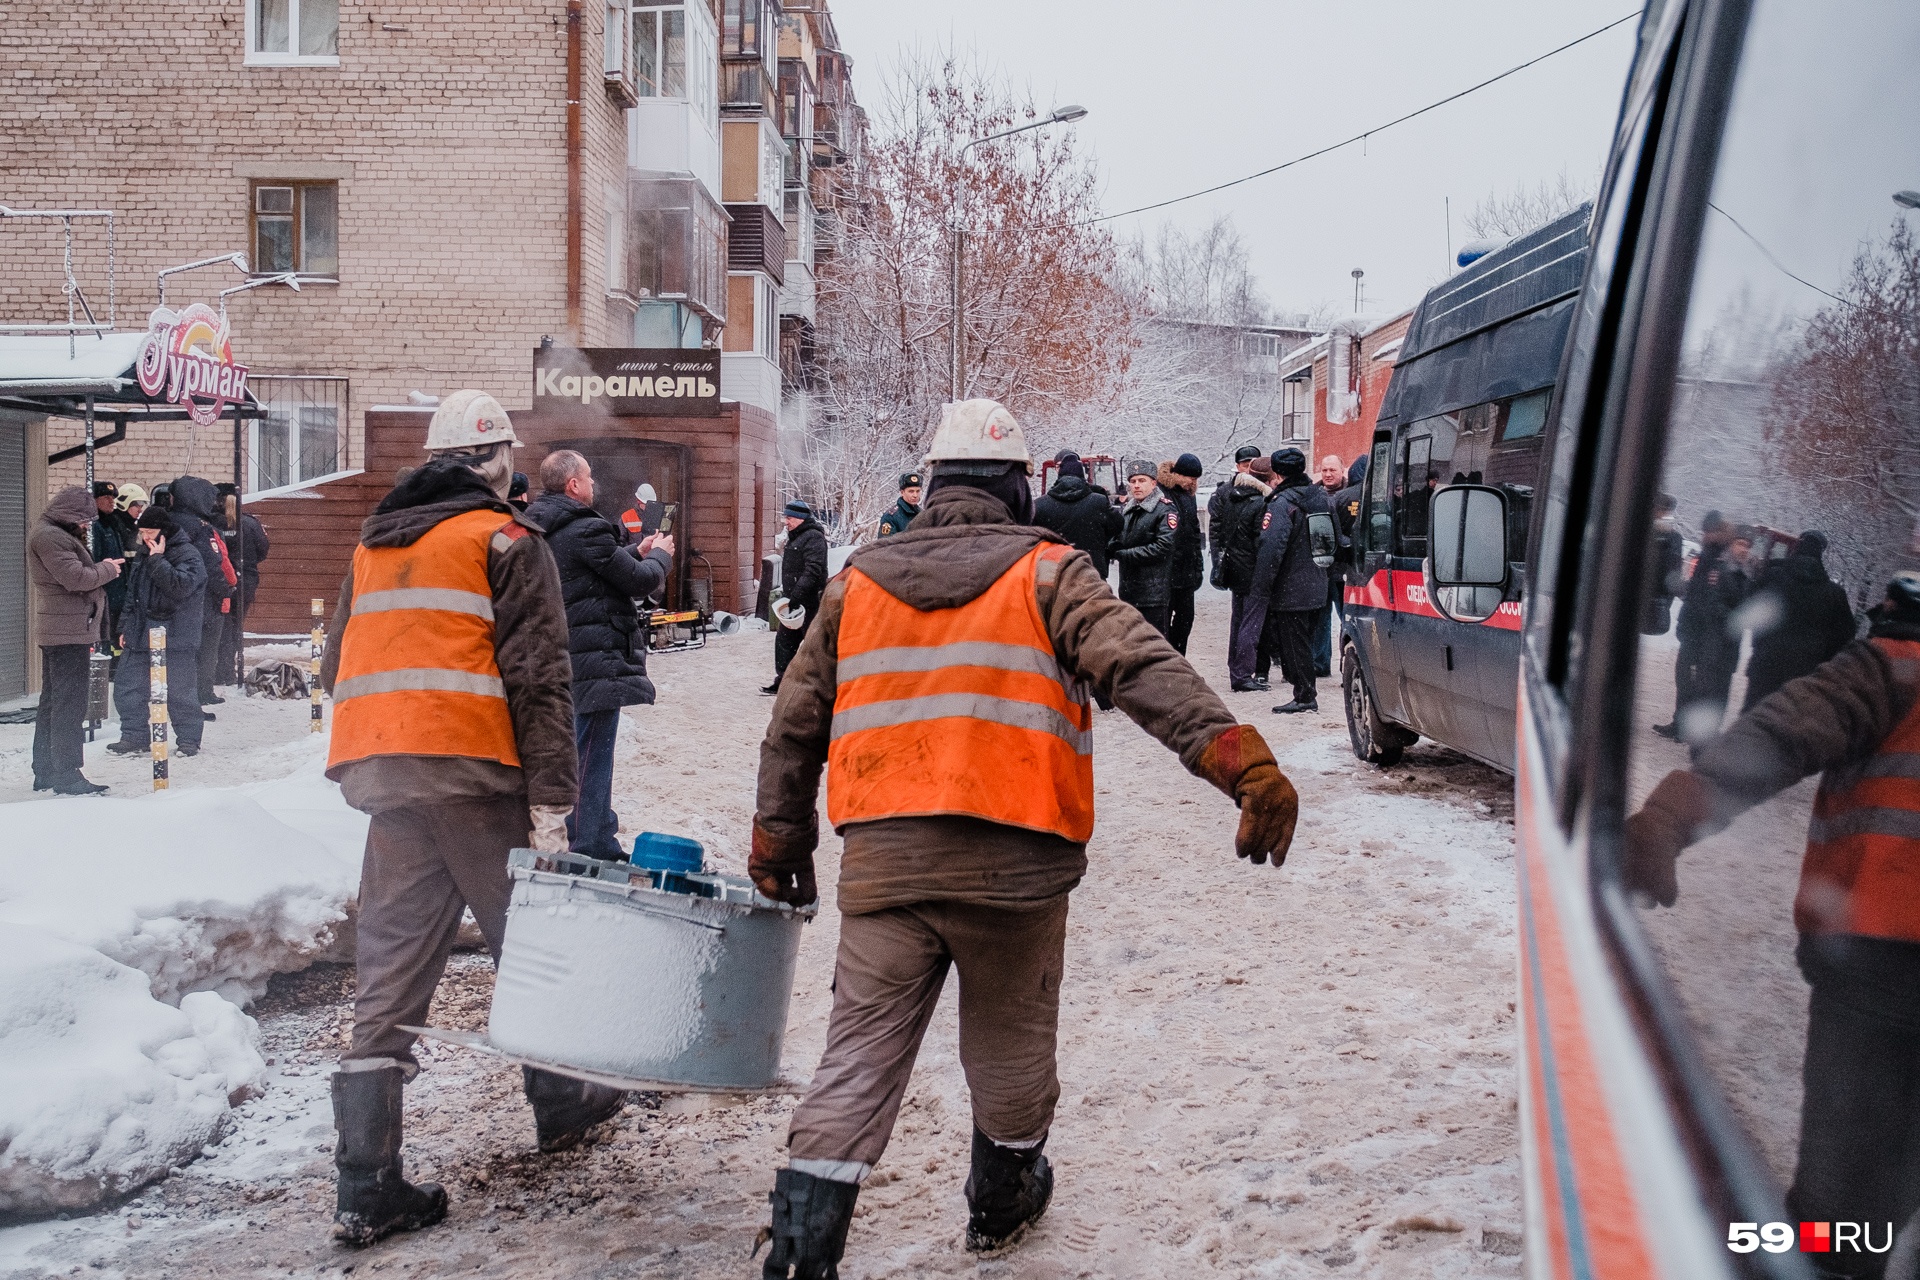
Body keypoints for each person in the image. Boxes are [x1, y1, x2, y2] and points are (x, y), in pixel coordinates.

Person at [748, 397, 1301, 1278]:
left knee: (855, 1060)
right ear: (1018, 486)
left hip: (886, 864)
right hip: (1016, 871)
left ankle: (801, 1251)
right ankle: (1000, 1205)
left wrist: (778, 846)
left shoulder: (858, 585)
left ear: (930, 487)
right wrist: (1245, 765)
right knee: (1011, 1048)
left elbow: (793, 726)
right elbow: (1144, 666)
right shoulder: (1051, 574)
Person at [318, 390, 607, 1248]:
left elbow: (337, 658)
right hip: (474, 773)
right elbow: (538, 672)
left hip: (385, 774)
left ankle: (366, 1182)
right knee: (532, 947)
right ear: (495, 462)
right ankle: (564, 1102)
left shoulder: (372, 547)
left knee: (392, 964)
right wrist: (557, 793)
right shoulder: (507, 540)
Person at [1624, 572, 1920, 1280]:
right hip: (1875, 968)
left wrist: (1667, 820)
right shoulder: (1894, 665)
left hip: (1874, 962)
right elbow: (1779, 736)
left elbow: (1777, 736)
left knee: (1842, 1202)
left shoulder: (1893, 664)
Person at [525, 449, 674, 861]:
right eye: (589, 477)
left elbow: (594, 568)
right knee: (591, 755)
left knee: (577, 749)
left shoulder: (542, 524)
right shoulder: (585, 527)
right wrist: (661, 556)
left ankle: (595, 834)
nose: (594, 484)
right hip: (595, 660)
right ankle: (589, 842)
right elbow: (639, 583)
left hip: (563, 653)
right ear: (573, 484)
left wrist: (637, 550)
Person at [28, 485, 122, 794]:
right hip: (66, 632)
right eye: (84, 520)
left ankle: (46, 770)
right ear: (69, 515)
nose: (86, 526)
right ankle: (67, 775)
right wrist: (107, 569)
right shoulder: (51, 537)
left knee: (54, 702)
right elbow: (76, 578)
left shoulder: (51, 533)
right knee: (68, 704)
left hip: (63, 629)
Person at [107, 505, 208, 759]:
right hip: (141, 633)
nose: (146, 537)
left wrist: (156, 561)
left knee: (180, 691)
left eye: (150, 531)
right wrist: (124, 627)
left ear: (164, 531)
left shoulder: (188, 554)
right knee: (128, 687)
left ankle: (188, 740)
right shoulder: (145, 552)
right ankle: (134, 736)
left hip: (176, 635)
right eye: (142, 532)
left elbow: (180, 586)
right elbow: (134, 594)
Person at [1241, 448, 1332, 715]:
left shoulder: (1282, 504)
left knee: (1293, 644)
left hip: (1290, 585)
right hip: (1317, 578)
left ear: (1278, 474)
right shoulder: (1319, 498)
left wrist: (1261, 586)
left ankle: (1304, 695)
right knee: (1304, 640)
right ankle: (1305, 692)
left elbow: (1272, 546)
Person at [1655, 511, 1748, 744]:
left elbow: (1707, 596)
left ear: (1715, 532)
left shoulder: (1718, 558)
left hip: (1702, 632)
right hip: (1695, 629)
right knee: (1685, 677)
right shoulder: (1711, 554)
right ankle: (1680, 723)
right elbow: (1699, 592)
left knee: (1692, 680)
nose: (1704, 535)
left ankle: (1685, 726)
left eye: (1708, 531)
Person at [1741, 532, 1855, 710]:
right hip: (1803, 672)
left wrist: (1761, 638)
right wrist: (1822, 656)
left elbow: (1749, 603)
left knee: (1753, 717)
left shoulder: (1773, 576)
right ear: (1820, 553)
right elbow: (1846, 634)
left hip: (1765, 663)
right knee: (1785, 721)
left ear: (1798, 547)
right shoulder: (1834, 594)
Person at [166, 476, 235, 713]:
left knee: (183, 652)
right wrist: (225, 589)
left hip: (175, 597)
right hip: (203, 598)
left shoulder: (168, 522)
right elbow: (212, 563)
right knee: (206, 648)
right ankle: (200, 694)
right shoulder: (200, 527)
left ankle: (189, 695)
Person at [1214, 447, 1274, 692]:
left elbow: (1220, 530)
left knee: (1238, 621)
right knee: (1251, 623)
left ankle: (1236, 669)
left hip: (1235, 566)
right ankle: (1242, 674)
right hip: (1252, 569)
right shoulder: (1261, 502)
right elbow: (1262, 540)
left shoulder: (1229, 496)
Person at [763, 500, 828, 696]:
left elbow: (813, 570)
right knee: (784, 641)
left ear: (800, 519)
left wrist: (798, 595)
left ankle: (821, 686)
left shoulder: (814, 538)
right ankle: (783, 680)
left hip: (810, 601)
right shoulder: (797, 536)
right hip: (793, 600)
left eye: (789, 518)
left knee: (814, 643)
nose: (786, 522)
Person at [214, 481, 270, 688]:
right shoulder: (250, 523)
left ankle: (219, 670)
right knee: (235, 627)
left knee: (220, 627)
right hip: (246, 581)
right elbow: (263, 551)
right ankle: (228, 671)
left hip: (221, 582)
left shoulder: (213, 523)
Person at [1109, 461, 1176, 636]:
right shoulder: (1127, 510)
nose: (1136, 485)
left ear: (1153, 483)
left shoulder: (1164, 509)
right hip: (1129, 591)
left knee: (1154, 647)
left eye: (1142, 480)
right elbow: (1119, 538)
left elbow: (1163, 547)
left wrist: (1125, 555)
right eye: (1133, 481)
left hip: (1153, 593)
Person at [1033, 455, 1121, 580]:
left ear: (1059, 475)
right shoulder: (1098, 502)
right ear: (1082, 476)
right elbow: (1117, 526)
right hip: (1091, 573)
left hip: (1053, 574)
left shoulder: (1040, 505)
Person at [1157, 454, 1205, 655]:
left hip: (1186, 569)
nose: (1192, 483)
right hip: (1166, 569)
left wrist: (1197, 565)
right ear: (1177, 474)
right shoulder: (1160, 494)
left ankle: (1179, 657)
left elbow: (1193, 532)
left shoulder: (1188, 497)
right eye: (1190, 479)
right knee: (1163, 621)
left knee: (1186, 618)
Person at [91, 481, 137, 658]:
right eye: (106, 497)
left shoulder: (111, 524)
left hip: (118, 594)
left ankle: (115, 665)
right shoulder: (95, 527)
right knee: (106, 637)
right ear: (94, 500)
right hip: (106, 593)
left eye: (113, 498)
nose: (111, 501)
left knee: (116, 637)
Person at [1311, 455, 1345, 678]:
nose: (1328, 474)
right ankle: (1320, 663)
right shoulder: (1313, 495)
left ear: (1342, 470)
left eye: (1332, 470)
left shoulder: (1353, 494)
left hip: (1343, 568)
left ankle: (1347, 662)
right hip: (1320, 570)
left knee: (1346, 618)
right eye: (1324, 470)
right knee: (1320, 619)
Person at [1641, 493, 1685, 635]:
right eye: (1658, 510)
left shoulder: (1673, 538)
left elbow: (1672, 571)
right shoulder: (1640, 531)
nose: (1660, 515)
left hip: (1656, 605)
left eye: (1664, 511)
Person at [876, 471, 923, 538]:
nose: (915, 495)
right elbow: (885, 545)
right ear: (902, 492)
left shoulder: (923, 514)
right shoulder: (891, 517)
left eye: (918, 491)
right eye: (911, 491)